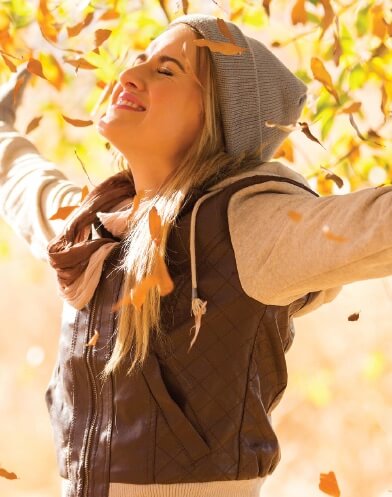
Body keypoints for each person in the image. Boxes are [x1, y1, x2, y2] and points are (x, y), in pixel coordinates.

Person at [0, 11, 391, 497]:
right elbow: (24, 184)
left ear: (219, 120)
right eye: (140, 60)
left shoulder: (247, 225)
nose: (128, 75)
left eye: (166, 71)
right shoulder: (93, 225)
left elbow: (375, 226)